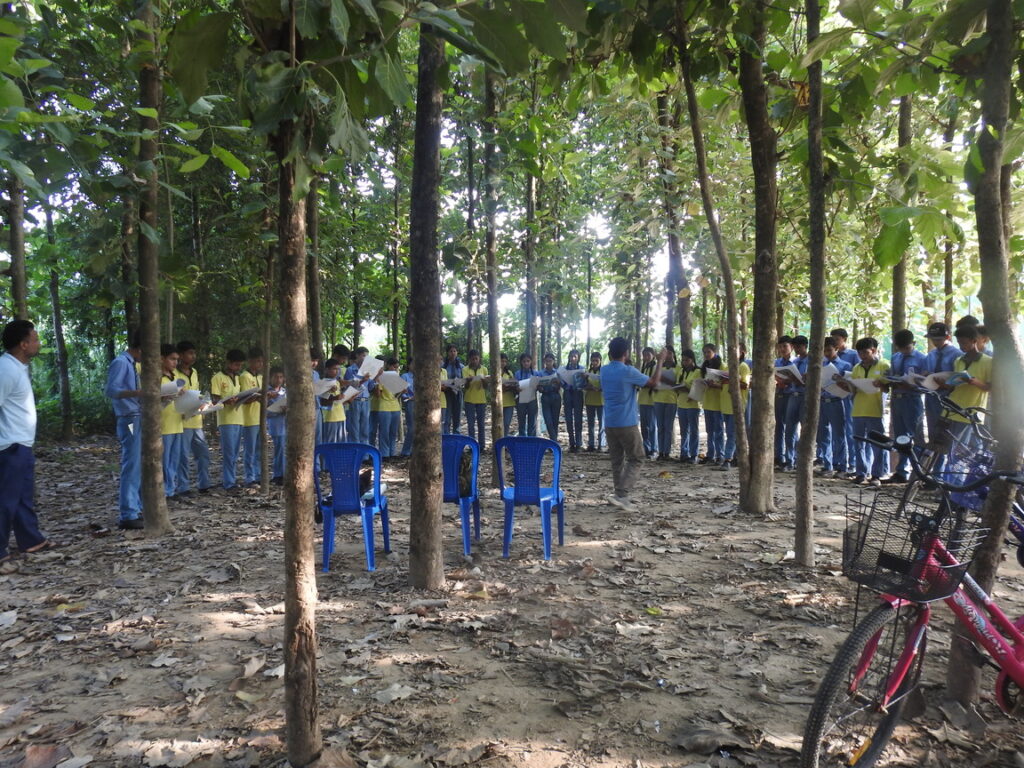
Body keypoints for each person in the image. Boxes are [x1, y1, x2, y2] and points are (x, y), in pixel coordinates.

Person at [0, 320, 49, 565]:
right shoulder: (5, 369)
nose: (38, 343)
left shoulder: (18, 367)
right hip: (10, 445)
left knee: (21, 497)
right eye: (36, 339)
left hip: (21, 443)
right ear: (23, 344)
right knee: (6, 500)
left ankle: (30, 539)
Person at [600, 338, 667, 512]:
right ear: (626, 353)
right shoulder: (628, 371)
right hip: (626, 422)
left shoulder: (604, 370)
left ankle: (618, 495)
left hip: (610, 421)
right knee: (637, 457)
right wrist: (659, 361)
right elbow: (653, 383)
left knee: (617, 460)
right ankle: (622, 494)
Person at [105, 333, 144, 528]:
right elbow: (111, 390)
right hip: (128, 418)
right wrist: (137, 393)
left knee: (139, 464)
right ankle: (128, 513)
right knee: (132, 464)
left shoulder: (132, 364)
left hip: (137, 415)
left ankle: (136, 508)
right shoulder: (121, 362)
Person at [841, 337, 890, 485]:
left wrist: (881, 382)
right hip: (858, 410)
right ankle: (861, 473)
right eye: (860, 353)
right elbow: (853, 388)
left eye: (865, 353)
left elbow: (888, 385)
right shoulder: (857, 368)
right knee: (858, 443)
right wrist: (846, 384)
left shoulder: (884, 365)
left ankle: (876, 474)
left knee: (877, 444)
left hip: (875, 410)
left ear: (873, 350)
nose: (863, 356)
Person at [884, 330, 928, 483]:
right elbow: (892, 375)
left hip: (912, 399)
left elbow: (925, 382)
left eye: (907, 348)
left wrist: (912, 384)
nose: (904, 351)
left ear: (913, 344)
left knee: (916, 436)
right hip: (897, 399)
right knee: (900, 437)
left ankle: (918, 473)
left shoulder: (922, 359)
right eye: (900, 348)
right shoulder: (895, 357)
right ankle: (900, 471)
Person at [941, 324, 992, 443]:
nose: (961, 346)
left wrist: (975, 382)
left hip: (971, 412)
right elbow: (953, 385)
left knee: (960, 449)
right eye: (959, 343)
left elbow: (990, 388)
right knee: (943, 446)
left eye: (964, 343)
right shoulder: (959, 360)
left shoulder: (988, 362)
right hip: (952, 409)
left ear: (974, 341)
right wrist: (944, 383)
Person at [174, 341, 211, 495]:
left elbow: (196, 393)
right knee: (182, 456)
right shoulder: (174, 374)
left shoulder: (194, 372)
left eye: (194, 353)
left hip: (196, 420)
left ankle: (204, 484)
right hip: (182, 420)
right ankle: (183, 487)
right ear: (181, 355)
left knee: (203, 454)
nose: (193, 356)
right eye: (190, 353)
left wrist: (204, 402)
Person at [210, 349, 246, 492]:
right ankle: (228, 482)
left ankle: (232, 479)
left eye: (240, 365)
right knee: (229, 452)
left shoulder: (237, 378)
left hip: (239, 418)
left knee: (236, 452)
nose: (238, 368)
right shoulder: (218, 378)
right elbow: (214, 399)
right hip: (226, 419)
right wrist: (226, 401)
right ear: (228, 363)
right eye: (236, 364)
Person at [817, 337, 852, 478]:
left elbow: (849, 387)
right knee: (823, 434)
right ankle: (827, 464)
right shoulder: (820, 364)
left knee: (839, 434)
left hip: (837, 401)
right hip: (822, 400)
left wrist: (841, 380)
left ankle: (841, 465)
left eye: (829, 350)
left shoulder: (845, 365)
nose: (827, 353)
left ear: (836, 349)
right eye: (824, 350)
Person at [924, 322, 962, 444]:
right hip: (931, 396)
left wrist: (945, 384)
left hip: (948, 398)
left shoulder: (957, 355)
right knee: (933, 432)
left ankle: (946, 462)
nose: (935, 342)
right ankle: (935, 462)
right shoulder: (931, 355)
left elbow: (959, 379)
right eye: (932, 339)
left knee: (946, 434)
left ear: (947, 337)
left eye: (939, 339)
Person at [830, 328, 859, 472]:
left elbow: (857, 373)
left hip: (847, 396)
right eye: (832, 338)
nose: (835, 341)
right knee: (836, 431)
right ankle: (837, 461)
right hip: (832, 395)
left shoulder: (853, 355)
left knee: (850, 429)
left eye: (837, 339)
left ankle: (852, 463)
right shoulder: (827, 356)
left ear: (844, 339)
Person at [781, 335, 809, 472]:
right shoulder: (795, 361)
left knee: (804, 430)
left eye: (799, 347)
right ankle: (789, 460)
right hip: (793, 395)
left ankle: (802, 460)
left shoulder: (813, 361)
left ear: (805, 346)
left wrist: (800, 380)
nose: (797, 350)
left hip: (805, 396)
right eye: (795, 347)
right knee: (790, 429)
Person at [718, 351, 751, 470]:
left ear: (741, 353)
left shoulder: (743, 366)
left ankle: (727, 459)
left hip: (736, 405)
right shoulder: (727, 367)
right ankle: (736, 456)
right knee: (730, 431)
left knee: (732, 433)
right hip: (725, 404)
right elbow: (722, 383)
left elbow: (745, 385)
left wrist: (731, 381)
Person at [159, 344, 184, 498]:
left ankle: (171, 490)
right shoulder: (156, 377)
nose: (175, 363)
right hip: (163, 425)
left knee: (174, 460)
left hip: (177, 423)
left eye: (177, 359)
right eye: (172, 359)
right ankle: (163, 491)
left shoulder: (175, 379)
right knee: (164, 461)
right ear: (162, 358)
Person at [239, 348, 264, 487]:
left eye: (261, 361)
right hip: (249, 418)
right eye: (257, 361)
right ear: (250, 362)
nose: (260, 364)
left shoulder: (260, 377)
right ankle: (250, 477)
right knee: (250, 449)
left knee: (259, 449)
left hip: (259, 416)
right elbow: (245, 397)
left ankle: (259, 474)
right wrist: (259, 396)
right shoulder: (245, 377)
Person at [370, 357, 401, 458]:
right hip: (383, 407)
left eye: (397, 367)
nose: (395, 369)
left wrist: (402, 390)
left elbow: (397, 394)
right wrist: (377, 384)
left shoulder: (396, 377)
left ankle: (392, 453)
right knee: (384, 432)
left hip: (395, 407)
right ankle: (384, 454)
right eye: (393, 367)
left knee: (393, 432)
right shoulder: (382, 377)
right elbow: (378, 394)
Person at [675, 349, 702, 464]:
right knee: (683, 430)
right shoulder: (681, 371)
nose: (685, 362)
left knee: (693, 430)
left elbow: (698, 387)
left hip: (693, 404)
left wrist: (686, 386)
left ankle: (694, 454)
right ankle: (684, 453)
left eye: (687, 360)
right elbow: (677, 384)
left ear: (692, 359)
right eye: (683, 360)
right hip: (681, 403)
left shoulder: (698, 371)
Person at [701, 344, 724, 465]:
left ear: (714, 352)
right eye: (704, 352)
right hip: (707, 403)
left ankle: (720, 455)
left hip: (718, 403)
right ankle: (710, 455)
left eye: (708, 352)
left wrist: (715, 385)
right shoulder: (704, 366)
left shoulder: (722, 365)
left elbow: (725, 384)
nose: (706, 355)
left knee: (718, 431)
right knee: (710, 431)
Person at [653, 347, 678, 460]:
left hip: (671, 400)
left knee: (668, 427)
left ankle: (666, 452)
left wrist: (666, 380)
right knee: (660, 427)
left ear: (673, 354)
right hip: (658, 399)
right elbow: (653, 380)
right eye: (665, 353)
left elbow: (678, 383)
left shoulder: (678, 368)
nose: (667, 355)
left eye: (669, 353)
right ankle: (660, 452)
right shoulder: (657, 367)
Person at [772, 335, 794, 468]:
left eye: (785, 346)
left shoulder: (796, 362)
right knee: (778, 427)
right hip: (778, 396)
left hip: (791, 396)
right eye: (780, 346)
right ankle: (778, 456)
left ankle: (791, 458)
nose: (782, 349)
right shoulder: (777, 363)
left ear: (791, 347)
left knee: (790, 428)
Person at [462, 349, 488, 448]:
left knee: (481, 424)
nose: (475, 361)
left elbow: (486, 387)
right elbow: (466, 386)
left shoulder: (484, 369)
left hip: (481, 400)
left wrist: (484, 380)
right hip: (469, 400)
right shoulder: (465, 369)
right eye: (472, 359)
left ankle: (482, 446)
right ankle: (472, 446)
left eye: (476, 359)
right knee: (471, 425)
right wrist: (468, 380)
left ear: (479, 359)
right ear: (469, 359)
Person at [345, 347, 372, 443]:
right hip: (355, 400)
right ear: (357, 355)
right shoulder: (350, 370)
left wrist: (376, 376)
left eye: (367, 356)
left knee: (365, 428)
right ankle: (355, 451)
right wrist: (362, 380)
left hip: (366, 400)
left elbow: (371, 387)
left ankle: (364, 455)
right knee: (354, 427)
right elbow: (349, 387)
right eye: (364, 355)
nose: (365, 358)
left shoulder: (368, 370)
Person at [266, 367, 286, 485]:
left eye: (281, 377)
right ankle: (278, 474)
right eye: (276, 377)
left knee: (284, 449)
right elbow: (266, 411)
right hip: (275, 424)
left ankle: (283, 473)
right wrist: (278, 410)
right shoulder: (267, 392)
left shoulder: (284, 391)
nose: (278, 380)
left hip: (285, 423)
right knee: (279, 449)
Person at [563, 349, 585, 453]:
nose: (573, 358)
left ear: (578, 358)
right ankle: (571, 443)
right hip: (567, 393)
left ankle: (579, 443)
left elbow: (584, 383)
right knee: (568, 419)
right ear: (569, 357)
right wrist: (565, 384)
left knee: (578, 419)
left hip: (578, 394)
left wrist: (581, 383)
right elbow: (562, 382)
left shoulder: (582, 369)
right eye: (571, 356)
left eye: (575, 356)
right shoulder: (564, 369)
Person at [320, 358, 347, 443]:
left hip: (341, 415)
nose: (337, 371)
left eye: (338, 369)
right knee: (330, 443)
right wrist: (335, 398)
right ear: (327, 370)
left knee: (341, 442)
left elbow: (338, 399)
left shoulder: (337, 382)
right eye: (334, 369)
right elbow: (323, 402)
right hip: (330, 417)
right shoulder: (323, 383)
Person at [638, 347, 658, 458]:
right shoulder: (643, 367)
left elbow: (653, 382)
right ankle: (646, 448)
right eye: (644, 355)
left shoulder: (655, 367)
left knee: (651, 426)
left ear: (653, 355)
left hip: (651, 400)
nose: (646, 357)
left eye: (648, 355)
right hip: (642, 399)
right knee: (644, 426)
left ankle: (654, 449)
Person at [440, 344, 464, 434]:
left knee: (457, 417)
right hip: (446, 394)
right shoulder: (443, 366)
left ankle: (457, 437)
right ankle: (446, 437)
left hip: (458, 393)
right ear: (447, 353)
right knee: (446, 418)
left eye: (454, 351)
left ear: (457, 352)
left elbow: (464, 380)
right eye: (451, 351)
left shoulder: (461, 366)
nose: (453, 353)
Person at [539, 353, 562, 442]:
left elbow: (562, 384)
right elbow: (537, 385)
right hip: (545, 397)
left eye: (550, 361)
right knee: (548, 421)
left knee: (555, 421)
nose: (548, 363)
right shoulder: (541, 373)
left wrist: (558, 382)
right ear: (544, 362)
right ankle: (554, 441)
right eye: (547, 361)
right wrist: (539, 387)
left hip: (555, 396)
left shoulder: (557, 372)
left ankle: (553, 442)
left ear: (553, 361)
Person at [515, 353, 539, 437]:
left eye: (528, 361)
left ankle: (532, 440)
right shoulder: (518, 373)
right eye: (524, 361)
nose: (526, 363)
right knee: (521, 421)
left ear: (531, 362)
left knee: (532, 421)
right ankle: (522, 439)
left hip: (532, 399)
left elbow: (539, 386)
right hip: (521, 399)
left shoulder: (536, 373)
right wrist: (517, 388)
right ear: (521, 362)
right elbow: (515, 385)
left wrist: (537, 386)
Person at [584, 352, 604, 451]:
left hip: (601, 401)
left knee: (601, 424)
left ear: (600, 361)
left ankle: (601, 445)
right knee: (590, 423)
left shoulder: (604, 372)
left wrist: (600, 388)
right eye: (593, 360)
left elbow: (607, 384)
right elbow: (583, 385)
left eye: (597, 360)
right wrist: (588, 386)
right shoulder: (588, 372)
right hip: (590, 400)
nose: (595, 362)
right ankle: (591, 444)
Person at [499, 353, 517, 436]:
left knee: (506, 424)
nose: (503, 363)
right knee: (498, 424)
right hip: (498, 403)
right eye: (502, 361)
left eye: (505, 361)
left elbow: (514, 385)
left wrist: (510, 385)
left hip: (509, 401)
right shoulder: (494, 372)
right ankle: (498, 441)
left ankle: (505, 442)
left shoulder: (509, 373)